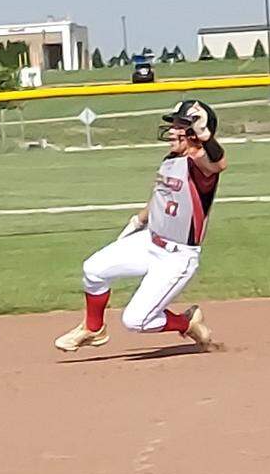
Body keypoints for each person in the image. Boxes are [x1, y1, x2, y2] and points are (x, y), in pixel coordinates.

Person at [54, 99, 228, 353]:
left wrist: (204, 135)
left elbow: (219, 164)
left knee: (136, 321)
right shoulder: (171, 159)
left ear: (195, 131)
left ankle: (186, 322)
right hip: (150, 240)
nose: (171, 131)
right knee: (93, 270)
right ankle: (94, 329)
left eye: (179, 125)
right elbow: (162, 195)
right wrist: (139, 219)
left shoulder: (201, 167)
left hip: (176, 256)